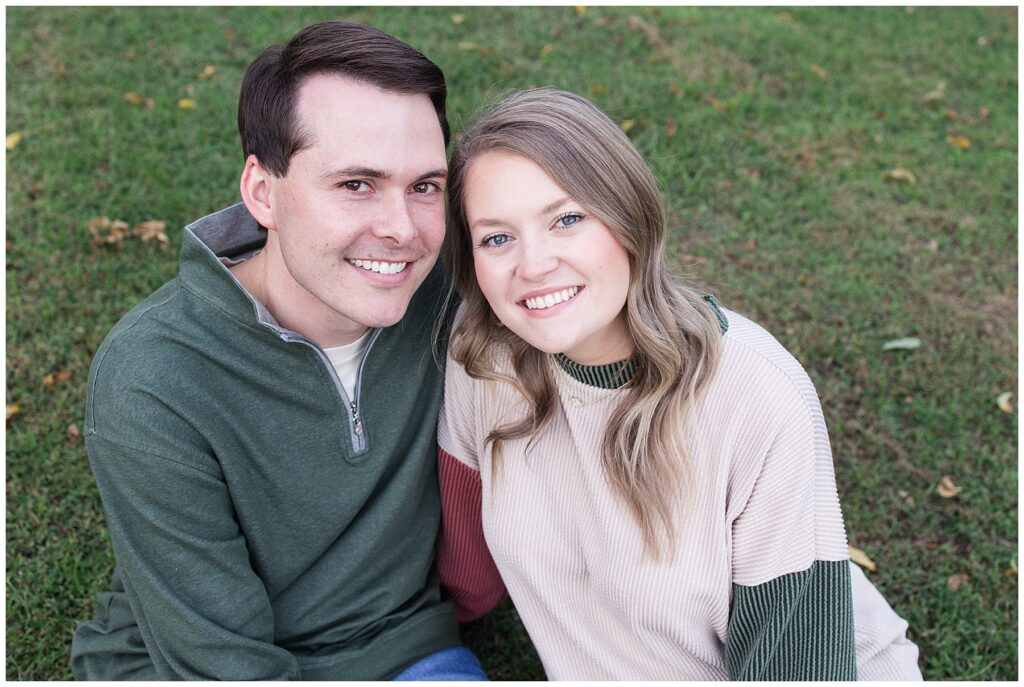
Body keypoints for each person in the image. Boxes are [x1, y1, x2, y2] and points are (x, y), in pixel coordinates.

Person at [435, 88, 922, 680]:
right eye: (497, 237)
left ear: (627, 217)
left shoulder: (757, 395)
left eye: (566, 219)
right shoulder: (484, 358)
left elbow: (797, 663)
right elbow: (467, 564)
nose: (533, 265)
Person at [70, 21, 486, 680]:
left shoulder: (454, 288)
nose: (403, 230)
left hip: (400, 645)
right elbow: (217, 660)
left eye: (425, 186)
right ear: (262, 191)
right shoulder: (153, 381)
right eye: (356, 184)